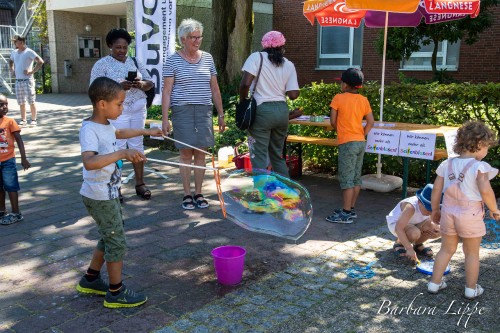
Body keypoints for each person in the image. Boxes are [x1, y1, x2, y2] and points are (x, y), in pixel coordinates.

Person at [76, 77, 162, 308]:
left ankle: (91, 279)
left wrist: (148, 131)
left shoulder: (105, 125)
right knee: (117, 243)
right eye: (119, 104)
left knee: (109, 236)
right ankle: (115, 292)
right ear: (102, 104)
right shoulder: (89, 129)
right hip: (98, 195)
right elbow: (90, 162)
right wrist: (122, 155)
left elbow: (121, 132)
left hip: (108, 192)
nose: (122, 108)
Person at [428, 121, 499, 300]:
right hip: (470, 214)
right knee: (472, 253)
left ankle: (434, 283)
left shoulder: (447, 164)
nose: (486, 152)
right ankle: (470, 288)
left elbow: (436, 189)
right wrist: (494, 209)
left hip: (448, 212)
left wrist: (435, 209)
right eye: (487, 148)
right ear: (480, 145)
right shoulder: (479, 167)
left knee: (446, 249)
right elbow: (485, 190)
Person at [162, 18, 225, 210]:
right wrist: (165, 119)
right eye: (193, 37)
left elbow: (214, 88)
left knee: (201, 154)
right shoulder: (172, 60)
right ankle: (186, 194)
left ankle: (199, 193)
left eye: (199, 37)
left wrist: (221, 114)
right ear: (183, 39)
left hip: (204, 110)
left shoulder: (208, 58)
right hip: (182, 110)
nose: (197, 41)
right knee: (185, 154)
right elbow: (167, 91)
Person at [90, 28, 155, 201]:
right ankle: (115, 186)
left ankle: (140, 184)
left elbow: (150, 82)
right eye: (118, 47)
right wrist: (118, 86)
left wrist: (140, 84)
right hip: (117, 112)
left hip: (138, 109)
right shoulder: (101, 64)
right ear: (110, 46)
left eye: (124, 47)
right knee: (117, 148)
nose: (121, 51)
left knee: (137, 145)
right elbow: (94, 88)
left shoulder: (135, 61)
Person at [239, 31, 299, 177]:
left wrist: (243, 102)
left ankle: (262, 196)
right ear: (282, 47)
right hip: (281, 112)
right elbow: (293, 95)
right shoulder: (289, 65)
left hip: (261, 111)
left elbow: (245, 83)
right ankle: (285, 194)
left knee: (258, 156)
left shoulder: (256, 57)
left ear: (264, 45)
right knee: (277, 156)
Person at [326, 68, 374, 224]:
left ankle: (345, 214)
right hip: (360, 142)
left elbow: (333, 121)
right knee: (355, 178)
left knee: (347, 179)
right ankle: (351, 209)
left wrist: (340, 128)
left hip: (347, 143)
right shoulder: (363, 100)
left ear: (345, 85)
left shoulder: (338, 98)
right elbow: (371, 122)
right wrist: (361, 134)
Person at [387, 184, 441, 262]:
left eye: (433, 209)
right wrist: (409, 249)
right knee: (414, 233)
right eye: (428, 208)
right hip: (397, 224)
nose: (430, 212)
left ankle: (417, 244)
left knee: (438, 229)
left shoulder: (432, 209)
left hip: (417, 223)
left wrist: (437, 232)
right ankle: (399, 243)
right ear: (419, 201)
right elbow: (399, 228)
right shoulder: (410, 207)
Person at [0, 94, 30, 225]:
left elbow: (19, 140)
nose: (5, 107)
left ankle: (16, 213)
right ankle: (2, 211)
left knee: (11, 186)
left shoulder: (10, 121)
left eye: (6, 104)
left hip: (8, 161)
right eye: (1, 104)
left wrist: (23, 158)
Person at [9, 35, 44, 127]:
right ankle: (23, 120)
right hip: (18, 81)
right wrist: (12, 70)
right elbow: (10, 61)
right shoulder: (14, 52)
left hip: (27, 81)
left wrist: (32, 71)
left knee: (31, 101)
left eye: (15, 41)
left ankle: (33, 120)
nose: (14, 43)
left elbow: (40, 61)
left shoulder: (29, 52)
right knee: (21, 102)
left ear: (21, 42)